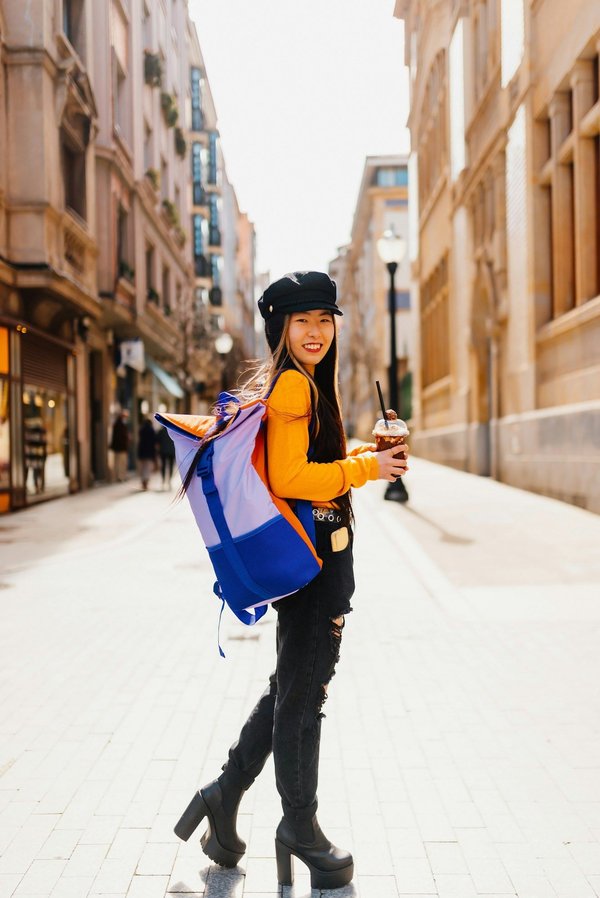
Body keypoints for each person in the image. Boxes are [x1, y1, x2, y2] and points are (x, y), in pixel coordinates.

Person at [173, 271, 408, 890]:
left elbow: (308, 457)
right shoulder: (292, 389)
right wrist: (367, 466)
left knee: (291, 686)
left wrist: (363, 449)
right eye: (302, 321)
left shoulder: (305, 387)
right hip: (313, 568)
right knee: (304, 699)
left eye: (324, 320)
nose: (315, 331)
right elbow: (293, 476)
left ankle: (224, 797)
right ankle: (299, 829)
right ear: (280, 327)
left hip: (317, 562)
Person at [137, 418, 157, 490]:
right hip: (149, 452)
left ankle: (143, 482)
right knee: (147, 468)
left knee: (142, 468)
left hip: (142, 452)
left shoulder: (141, 430)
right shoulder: (152, 431)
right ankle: (146, 483)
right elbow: (154, 443)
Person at [110, 411, 129, 482]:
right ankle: (120, 477)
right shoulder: (122, 426)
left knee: (117, 462)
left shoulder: (116, 425)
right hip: (121, 447)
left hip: (117, 447)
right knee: (121, 463)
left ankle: (117, 476)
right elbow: (122, 437)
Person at [156, 424, 176, 489]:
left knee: (163, 466)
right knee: (170, 466)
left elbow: (157, 442)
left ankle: (163, 480)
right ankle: (169, 480)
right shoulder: (173, 431)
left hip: (163, 451)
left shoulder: (160, 431)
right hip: (171, 451)